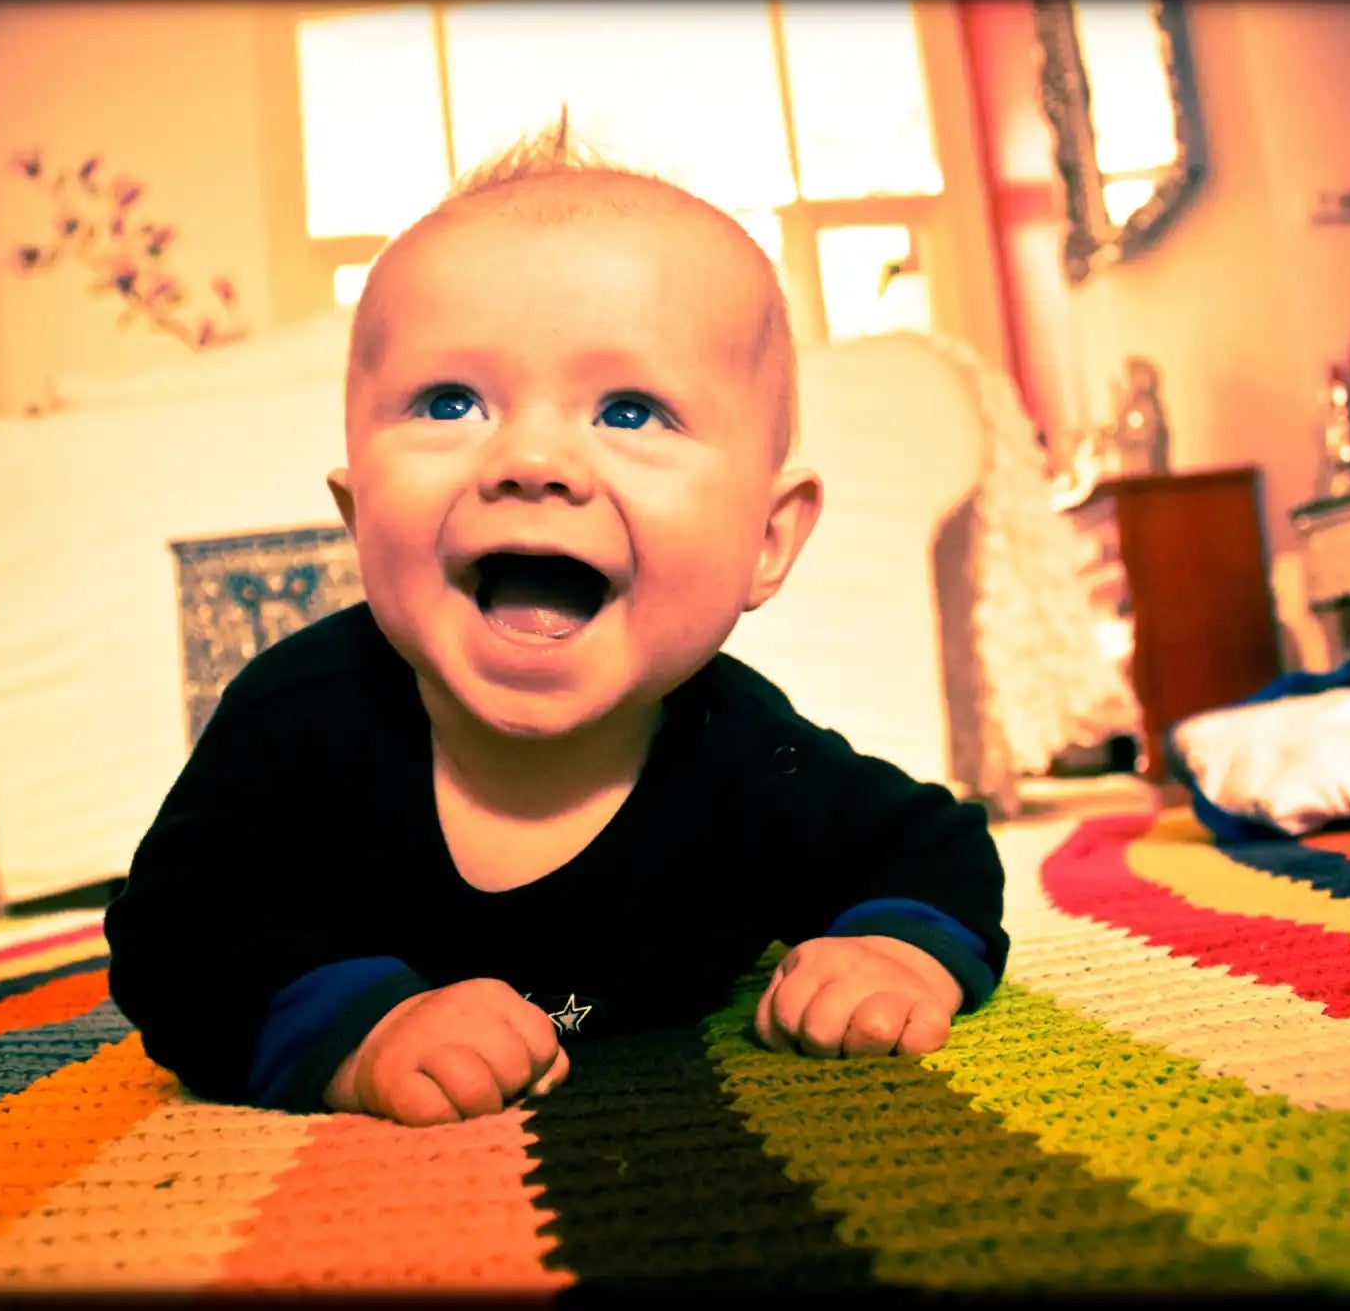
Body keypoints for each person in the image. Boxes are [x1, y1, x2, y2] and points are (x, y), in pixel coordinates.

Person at [105, 121, 1010, 1129]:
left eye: (629, 412)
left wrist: (888, 953)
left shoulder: (751, 759)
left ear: (766, 537)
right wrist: (355, 1034)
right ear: (358, 516)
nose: (530, 458)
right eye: (449, 403)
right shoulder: (298, 721)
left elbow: (934, 848)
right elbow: (173, 932)